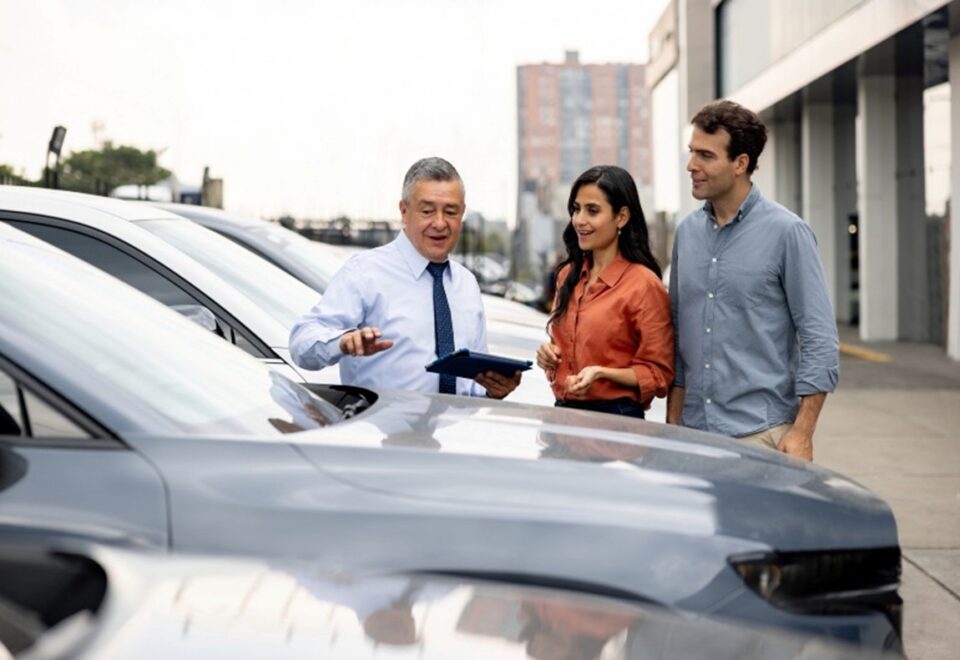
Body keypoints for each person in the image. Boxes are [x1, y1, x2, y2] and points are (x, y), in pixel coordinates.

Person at [666, 100, 839, 460]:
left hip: (761, 437)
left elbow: (819, 338)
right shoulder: (686, 234)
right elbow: (679, 339)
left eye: (705, 155)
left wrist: (802, 432)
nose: (691, 166)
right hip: (693, 433)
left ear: (740, 163)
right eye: (691, 152)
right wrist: (672, 427)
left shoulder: (787, 233)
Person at [289, 157, 521, 399]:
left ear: (462, 213)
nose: (440, 223)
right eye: (427, 211)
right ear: (404, 211)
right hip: (381, 431)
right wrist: (342, 343)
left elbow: (472, 385)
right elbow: (301, 342)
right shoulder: (366, 272)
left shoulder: (467, 284)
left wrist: (493, 391)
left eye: (450, 212)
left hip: (456, 433)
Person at [535, 165, 673, 418]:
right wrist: (549, 356)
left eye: (593, 211)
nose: (579, 220)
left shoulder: (643, 284)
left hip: (616, 421)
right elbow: (568, 347)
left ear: (621, 217)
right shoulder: (568, 276)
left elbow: (658, 374)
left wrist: (601, 373)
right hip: (563, 417)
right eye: (576, 209)